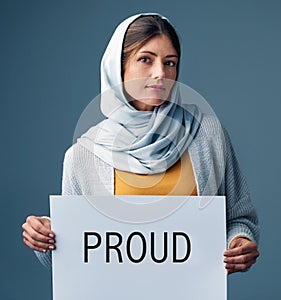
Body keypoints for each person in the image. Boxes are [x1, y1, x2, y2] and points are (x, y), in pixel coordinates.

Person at [22, 13, 259, 274]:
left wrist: (240, 242)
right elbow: (74, 255)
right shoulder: (83, 155)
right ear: (118, 67)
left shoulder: (206, 133)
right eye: (146, 59)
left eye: (170, 63)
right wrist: (44, 236)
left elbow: (239, 218)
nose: (160, 73)